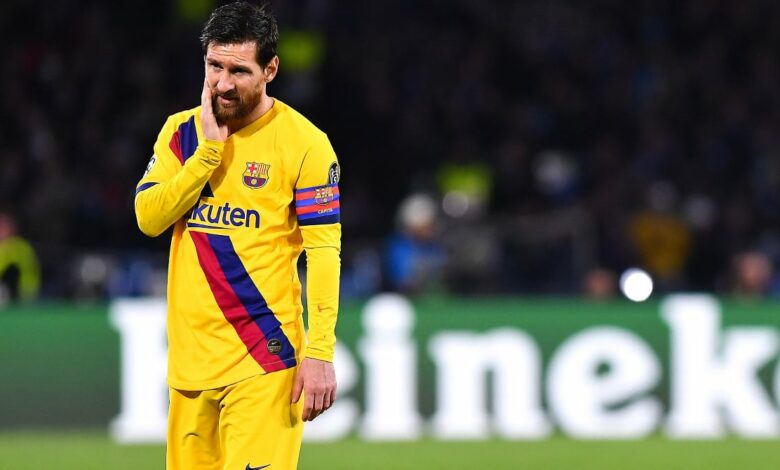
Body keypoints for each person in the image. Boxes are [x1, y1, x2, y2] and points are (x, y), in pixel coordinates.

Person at [134, 3, 340, 468]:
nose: (222, 84)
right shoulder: (181, 133)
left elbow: (324, 252)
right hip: (190, 369)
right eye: (214, 66)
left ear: (271, 70)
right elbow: (148, 218)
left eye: (239, 71)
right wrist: (208, 154)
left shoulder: (306, 144)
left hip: (265, 359)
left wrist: (321, 351)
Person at [0, 211, 41, 304]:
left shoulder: (22, 247)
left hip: (22, 294)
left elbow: (30, 273)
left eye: (3, 227)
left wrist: (27, 293)